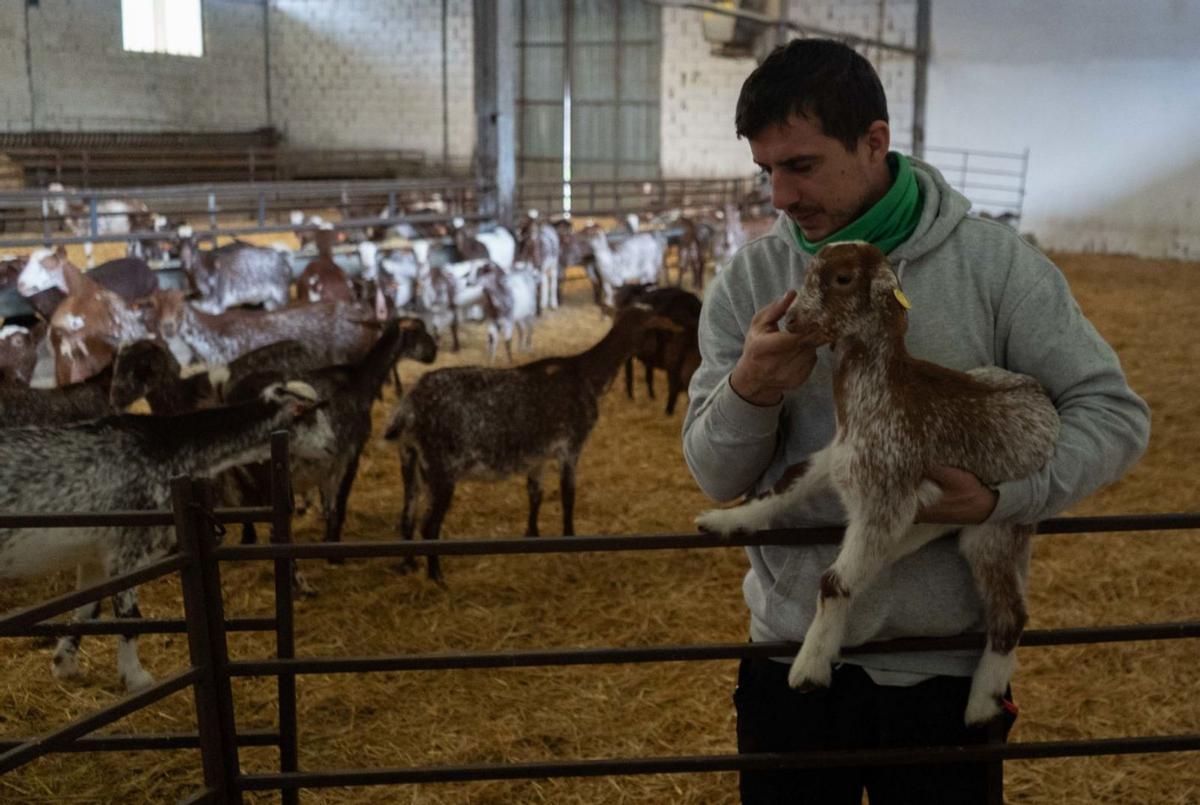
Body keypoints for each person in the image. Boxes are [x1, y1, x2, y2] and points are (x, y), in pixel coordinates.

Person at [681, 38, 1150, 804]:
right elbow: (713, 472)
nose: (780, 197)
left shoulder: (994, 267)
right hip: (789, 654)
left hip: (940, 669)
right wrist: (750, 385)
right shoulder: (753, 279)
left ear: (874, 142)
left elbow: (1113, 413)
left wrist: (1005, 499)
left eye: (801, 165)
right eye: (765, 170)